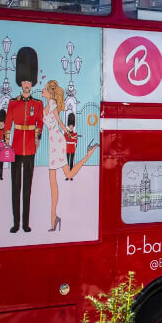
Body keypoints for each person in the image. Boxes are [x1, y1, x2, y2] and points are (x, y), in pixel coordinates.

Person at [42, 79, 100, 232]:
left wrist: (69, 133)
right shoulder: (47, 106)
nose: (43, 90)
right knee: (59, 178)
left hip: (57, 143)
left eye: (45, 88)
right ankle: (54, 219)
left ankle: (53, 220)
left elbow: (61, 123)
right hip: (53, 143)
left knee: (55, 181)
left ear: (50, 92)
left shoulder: (53, 105)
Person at [8, 47, 43, 233]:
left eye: (29, 81)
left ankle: (26, 223)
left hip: (29, 147)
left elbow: (40, 123)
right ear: (21, 83)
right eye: (24, 81)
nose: (27, 84)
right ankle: (15, 223)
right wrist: (6, 143)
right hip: (15, 147)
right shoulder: (13, 103)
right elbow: (7, 125)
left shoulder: (38, 104)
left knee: (27, 188)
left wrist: (37, 139)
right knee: (15, 187)